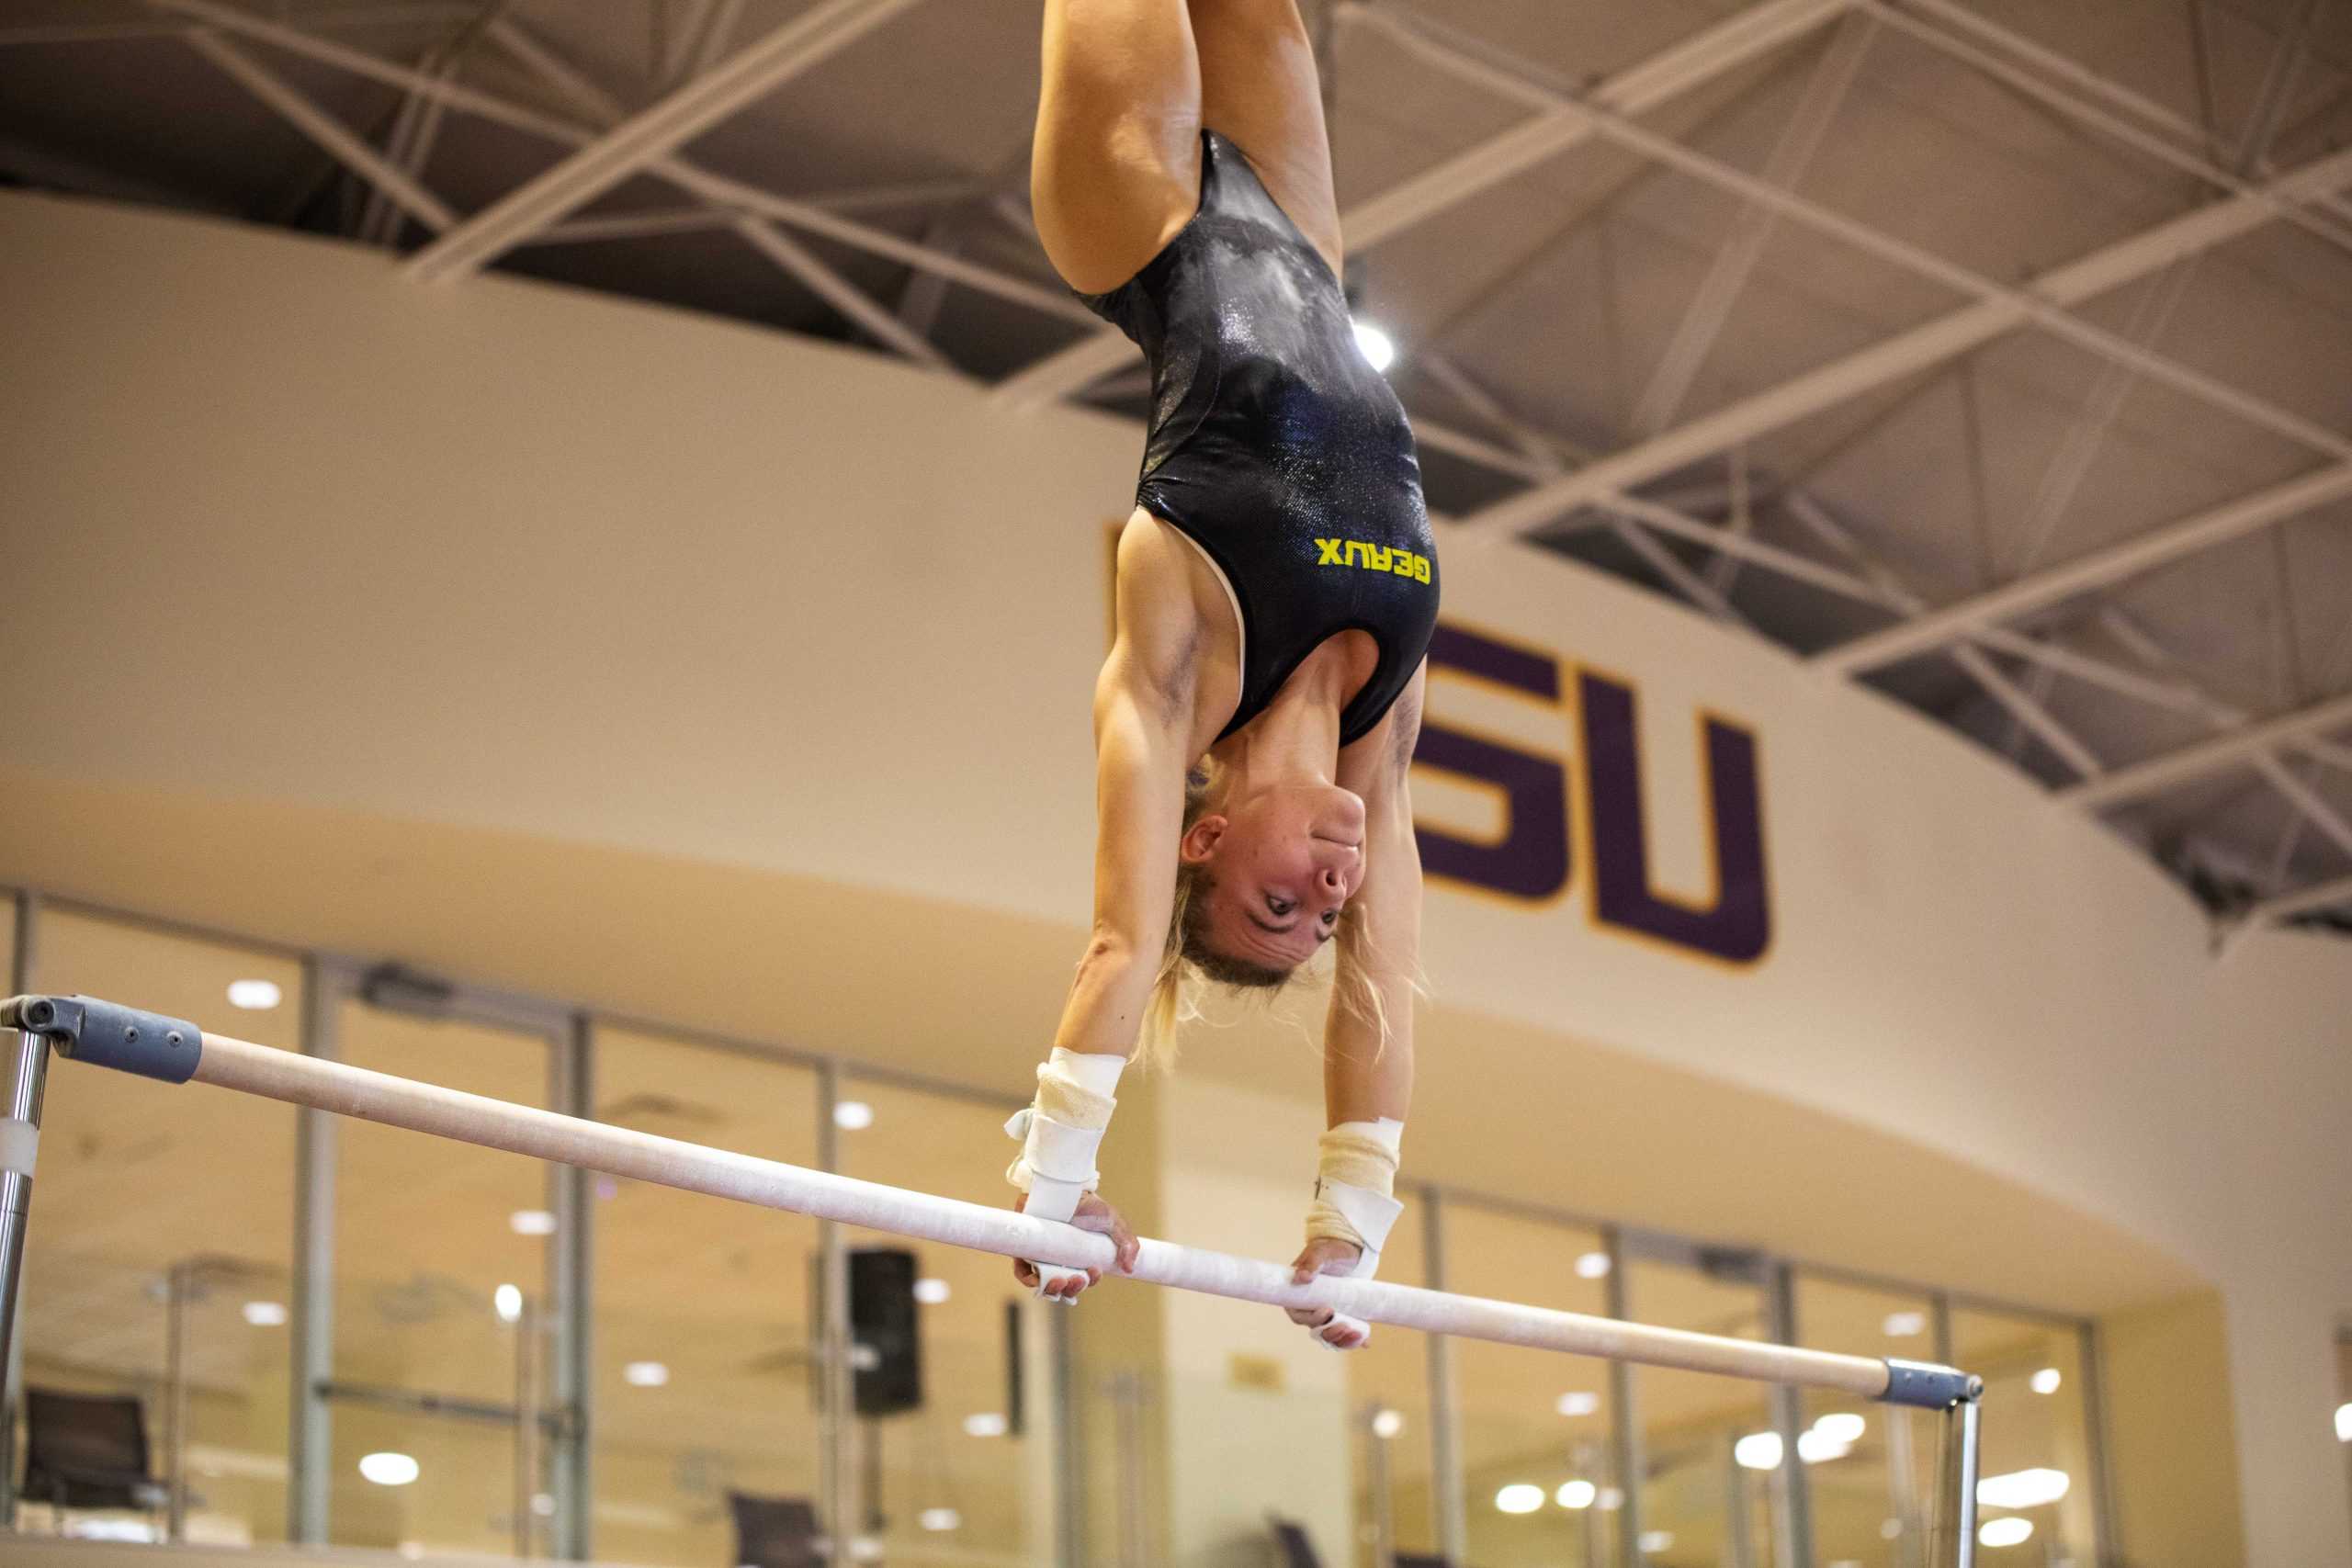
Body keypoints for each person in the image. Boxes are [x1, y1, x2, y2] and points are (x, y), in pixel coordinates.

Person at [999, 0, 1438, 1351]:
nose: (1328, 897)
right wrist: (1346, 1230)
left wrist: (1055, 1190)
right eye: (1319, 918)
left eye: (1272, 903)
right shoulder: (1382, 733)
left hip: (1152, 232)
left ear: (1203, 833)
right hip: (1300, 250)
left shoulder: (1172, 669)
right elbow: (1383, 992)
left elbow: (1126, 944)